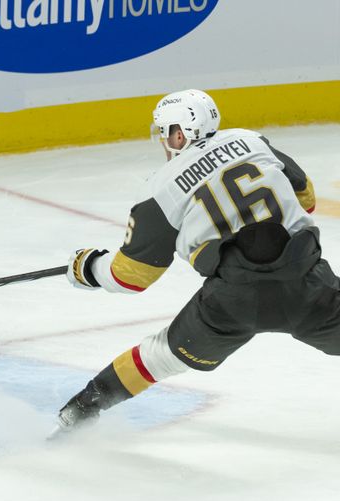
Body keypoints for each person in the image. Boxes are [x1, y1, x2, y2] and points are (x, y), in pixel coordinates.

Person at [55, 89, 340, 432]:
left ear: (179, 134)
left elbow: (131, 277)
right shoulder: (252, 141)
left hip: (230, 301)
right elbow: (306, 199)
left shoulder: (159, 190)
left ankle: (80, 411)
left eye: (166, 133)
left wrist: (88, 267)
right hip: (309, 286)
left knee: (159, 356)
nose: (164, 142)